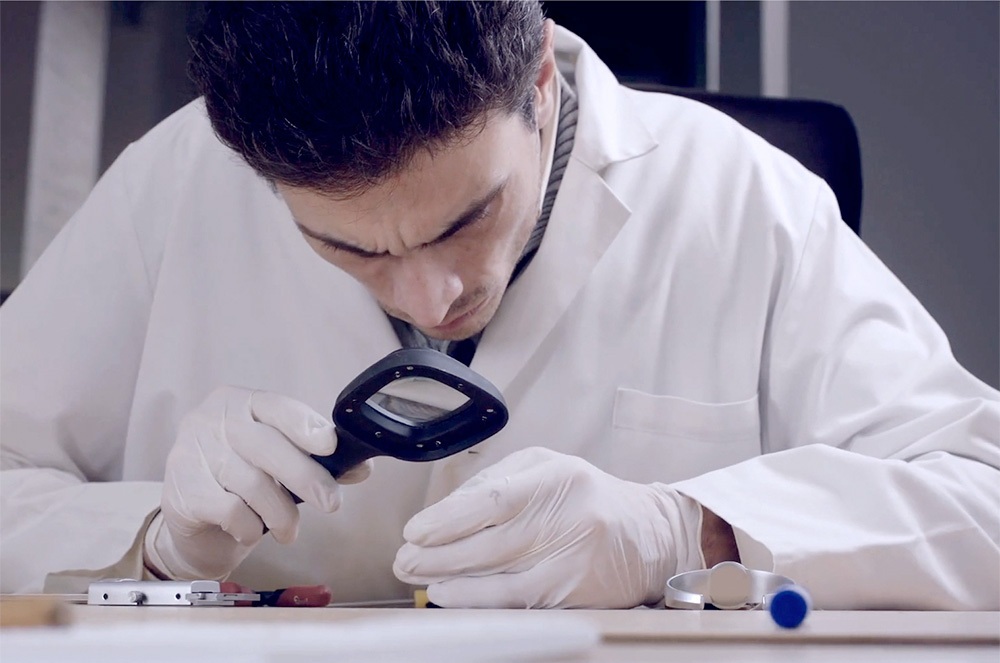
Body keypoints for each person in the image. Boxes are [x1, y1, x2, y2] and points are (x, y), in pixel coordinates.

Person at [1, 1, 997, 609]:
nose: (431, 298)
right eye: (341, 245)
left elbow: (983, 498)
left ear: (540, 83)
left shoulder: (738, 196)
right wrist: (152, 540)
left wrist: (690, 531)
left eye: (463, 221)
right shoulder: (178, 182)